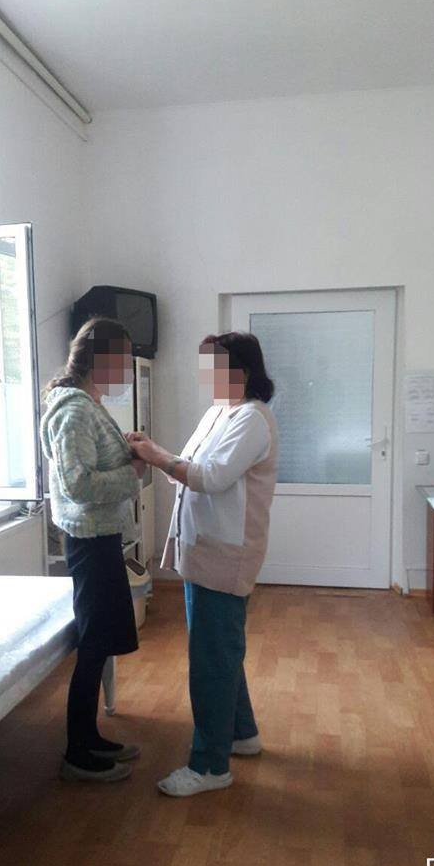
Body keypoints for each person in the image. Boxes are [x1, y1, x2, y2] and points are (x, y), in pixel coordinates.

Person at [128, 332, 278, 797]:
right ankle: (241, 734)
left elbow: (209, 478)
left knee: (211, 660)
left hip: (225, 554)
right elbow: (186, 464)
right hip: (202, 549)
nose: (207, 376)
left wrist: (156, 456)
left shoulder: (252, 419)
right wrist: (155, 455)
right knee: (220, 651)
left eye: (215, 367)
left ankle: (210, 766)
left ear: (242, 372)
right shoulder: (218, 413)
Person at [40, 317, 144, 782]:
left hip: (100, 536)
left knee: (100, 644)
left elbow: (91, 462)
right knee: (93, 644)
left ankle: (91, 737)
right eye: (122, 360)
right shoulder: (75, 410)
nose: (126, 370)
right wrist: (133, 473)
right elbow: (77, 484)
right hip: (89, 540)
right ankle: (77, 754)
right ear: (99, 360)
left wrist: (127, 450)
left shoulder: (88, 404)